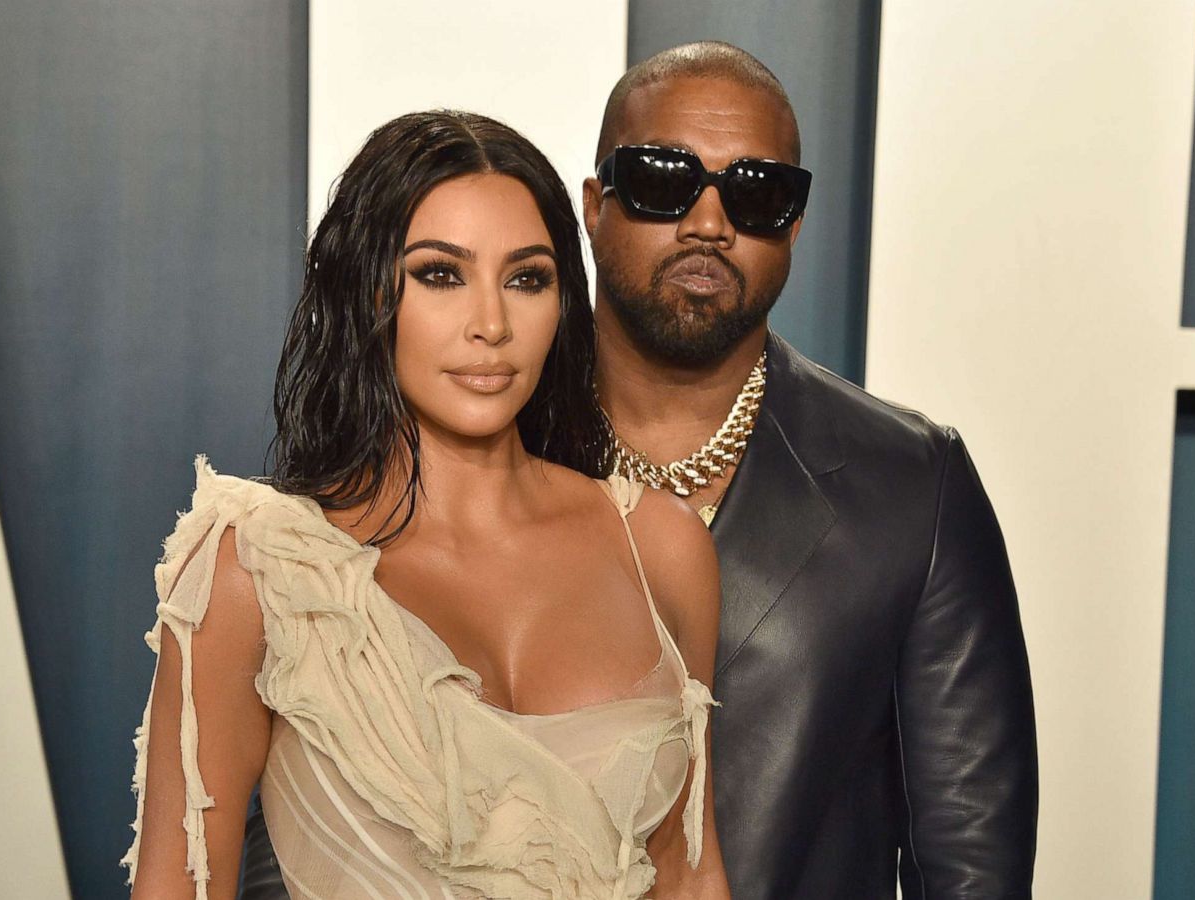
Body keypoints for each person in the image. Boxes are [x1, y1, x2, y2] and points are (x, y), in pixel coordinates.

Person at [239, 42, 1039, 900]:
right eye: (663, 178)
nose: (708, 221)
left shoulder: (913, 485)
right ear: (594, 205)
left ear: (796, 226)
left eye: (758, 193)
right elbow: (289, 824)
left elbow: (971, 865)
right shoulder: (445, 447)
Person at [121, 110, 732, 899]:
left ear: (562, 304)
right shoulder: (255, 572)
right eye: (441, 274)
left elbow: (691, 875)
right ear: (371, 291)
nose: (491, 325)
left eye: (527, 278)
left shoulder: (660, 547)